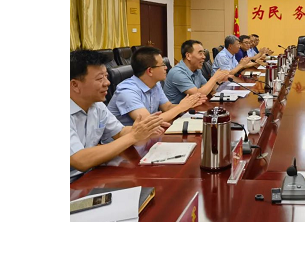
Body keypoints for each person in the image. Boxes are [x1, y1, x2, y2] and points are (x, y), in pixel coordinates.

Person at [70, 49, 166, 182]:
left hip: (92, 175)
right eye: (100, 78)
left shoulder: (97, 106)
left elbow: (119, 132)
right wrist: (133, 136)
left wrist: (141, 129)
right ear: (75, 85)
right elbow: (80, 160)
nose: (107, 83)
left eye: (106, 76)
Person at [107, 46, 206, 126]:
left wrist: (189, 104)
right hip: (122, 142)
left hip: (146, 136)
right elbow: (148, 122)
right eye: (162, 65)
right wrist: (180, 107)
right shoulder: (127, 91)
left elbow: (167, 107)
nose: (166, 67)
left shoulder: (155, 83)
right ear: (150, 71)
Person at [163, 40, 230, 104]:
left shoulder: (196, 69)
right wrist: (214, 78)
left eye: (203, 53)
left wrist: (219, 80)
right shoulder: (177, 73)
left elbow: (207, 89)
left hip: (192, 107)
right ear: (188, 56)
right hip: (177, 111)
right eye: (200, 53)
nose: (204, 57)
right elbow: (198, 94)